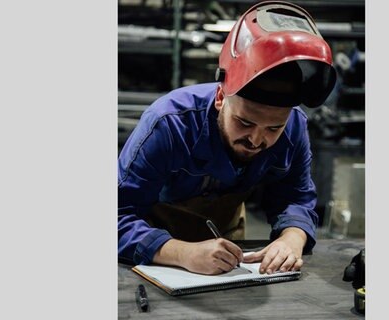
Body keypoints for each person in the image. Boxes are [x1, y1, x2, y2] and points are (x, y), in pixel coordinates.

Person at [118, 1, 337, 275]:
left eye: (273, 129)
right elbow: (118, 215)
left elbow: (295, 197)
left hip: (231, 254)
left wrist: (292, 238)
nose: (256, 140)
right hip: (157, 256)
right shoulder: (169, 125)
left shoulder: (293, 127)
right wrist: (181, 252)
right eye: (245, 122)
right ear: (221, 97)